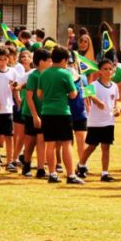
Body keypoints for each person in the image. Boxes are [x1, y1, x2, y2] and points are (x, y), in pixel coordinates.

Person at [36, 46, 84, 185]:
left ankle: (52, 173)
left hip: (47, 112)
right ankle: (71, 175)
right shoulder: (66, 74)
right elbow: (73, 94)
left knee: (50, 144)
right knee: (66, 143)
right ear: (63, 60)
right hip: (62, 112)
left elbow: (39, 94)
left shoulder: (43, 73)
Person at [82, 59, 119, 182]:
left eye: (110, 69)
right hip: (95, 122)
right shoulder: (94, 85)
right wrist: (97, 101)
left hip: (109, 121)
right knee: (92, 146)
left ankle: (104, 173)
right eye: (105, 69)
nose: (108, 71)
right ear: (100, 71)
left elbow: (115, 103)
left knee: (106, 147)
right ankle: (81, 165)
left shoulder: (114, 86)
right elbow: (87, 93)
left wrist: (117, 110)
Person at [22, 48, 53, 178]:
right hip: (31, 113)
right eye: (49, 60)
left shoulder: (48, 75)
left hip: (44, 112)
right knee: (30, 141)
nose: (51, 62)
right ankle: (26, 164)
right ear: (41, 62)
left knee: (42, 140)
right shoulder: (33, 76)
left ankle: (41, 168)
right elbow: (29, 97)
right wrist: (35, 116)